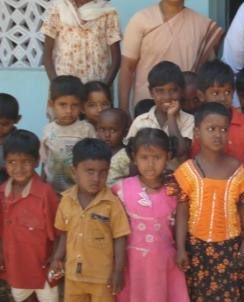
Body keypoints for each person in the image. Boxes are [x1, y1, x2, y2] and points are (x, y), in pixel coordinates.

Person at [172, 103, 244, 301]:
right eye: (211, 129)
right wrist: (181, 248)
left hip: (230, 245)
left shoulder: (236, 168)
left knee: (231, 292)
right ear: (197, 132)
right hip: (197, 247)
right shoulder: (188, 171)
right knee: (201, 293)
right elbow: (182, 212)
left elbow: (243, 204)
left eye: (223, 129)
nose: (218, 134)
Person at [118, 0, 224, 112]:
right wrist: (123, 110)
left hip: (187, 107)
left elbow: (208, 72)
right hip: (147, 105)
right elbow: (127, 67)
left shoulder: (202, 25)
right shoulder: (141, 20)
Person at [112, 128, 189, 301]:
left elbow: (181, 220)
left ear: (168, 156)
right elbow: (115, 230)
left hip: (164, 260)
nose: (150, 164)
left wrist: (182, 249)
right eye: (144, 158)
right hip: (133, 263)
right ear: (134, 157)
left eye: (157, 157)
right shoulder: (121, 189)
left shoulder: (175, 189)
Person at [49, 138, 130, 302]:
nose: (96, 178)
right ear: (74, 172)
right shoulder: (66, 201)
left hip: (102, 278)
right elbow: (64, 234)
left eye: (103, 172)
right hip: (73, 276)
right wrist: (57, 257)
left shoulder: (112, 204)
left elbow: (120, 238)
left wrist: (118, 271)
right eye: (90, 171)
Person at [41, 0, 121, 84]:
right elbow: (47, 55)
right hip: (65, 88)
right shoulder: (59, 8)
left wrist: (104, 87)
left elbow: (116, 58)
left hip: (96, 88)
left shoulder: (107, 12)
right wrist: (56, 85)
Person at [0, 130, 59, 302]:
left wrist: (55, 258)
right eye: (12, 162)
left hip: (43, 263)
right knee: (22, 296)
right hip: (16, 263)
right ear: (5, 163)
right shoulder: (2, 193)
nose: (18, 168)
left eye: (25, 162)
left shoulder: (45, 193)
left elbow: (57, 232)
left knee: (48, 297)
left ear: (36, 161)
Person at [125, 61, 193, 165]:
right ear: (151, 92)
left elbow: (180, 151)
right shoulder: (140, 122)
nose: (167, 97)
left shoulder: (189, 120)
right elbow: (131, 158)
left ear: (182, 91)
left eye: (173, 90)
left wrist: (171, 117)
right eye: (160, 91)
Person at [191, 60, 244, 167]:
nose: (222, 98)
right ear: (201, 95)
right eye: (215, 93)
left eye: (227, 92)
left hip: (238, 181)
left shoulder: (243, 121)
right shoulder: (197, 123)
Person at [40, 75, 96, 194]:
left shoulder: (86, 129)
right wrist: (42, 183)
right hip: (53, 190)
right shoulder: (48, 130)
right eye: (63, 104)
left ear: (81, 106)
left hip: (79, 191)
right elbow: (45, 162)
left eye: (74, 105)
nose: (69, 111)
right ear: (51, 104)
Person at [96, 108, 130, 186]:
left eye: (113, 130)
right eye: (102, 129)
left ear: (125, 133)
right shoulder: (94, 152)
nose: (107, 135)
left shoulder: (127, 156)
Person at [0, 93, 20, 184]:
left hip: (11, 184)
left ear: (17, 119)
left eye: (5, 124)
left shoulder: (19, 141)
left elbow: (21, 166)